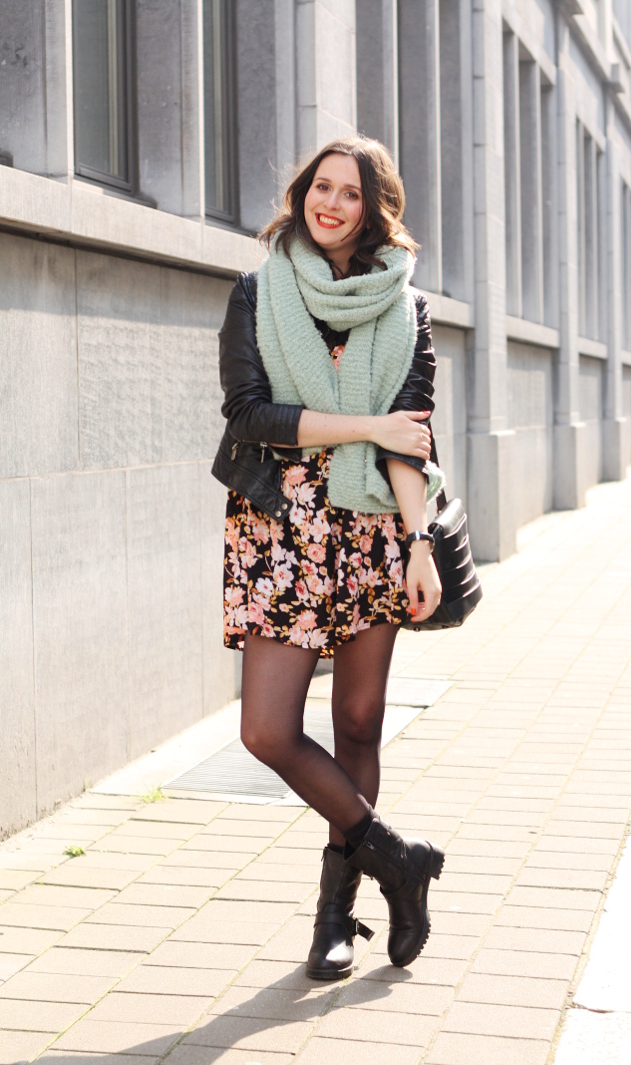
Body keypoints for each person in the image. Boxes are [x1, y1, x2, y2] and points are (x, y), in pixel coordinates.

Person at [211, 136, 445, 981]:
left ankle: (335, 916)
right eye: (321, 186)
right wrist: (366, 426)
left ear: (375, 210)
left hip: (373, 528)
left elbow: (409, 438)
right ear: (302, 194)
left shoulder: (405, 308)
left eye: (350, 192)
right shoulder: (258, 291)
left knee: (357, 723)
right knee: (266, 728)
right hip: (281, 533)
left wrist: (420, 545)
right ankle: (398, 859)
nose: (331, 203)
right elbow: (249, 414)